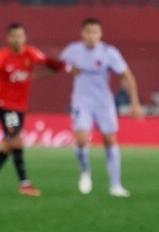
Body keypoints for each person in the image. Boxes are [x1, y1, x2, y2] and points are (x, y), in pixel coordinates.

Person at [0, 23, 69, 196]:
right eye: (14, 36)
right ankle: (24, 184)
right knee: (16, 141)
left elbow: (46, 61)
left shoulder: (30, 53)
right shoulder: (0, 57)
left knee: (9, 144)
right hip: (6, 106)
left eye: (20, 36)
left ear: (24, 38)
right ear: (8, 38)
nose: (17, 40)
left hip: (20, 107)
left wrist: (63, 66)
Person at [60, 17, 143, 197]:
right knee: (81, 139)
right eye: (88, 32)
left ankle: (115, 185)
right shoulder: (73, 50)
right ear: (82, 33)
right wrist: (68, 68)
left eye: (95, 32)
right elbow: (58, 64)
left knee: (110, 140)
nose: (92, 36)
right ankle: (85, 172)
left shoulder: (108, 52)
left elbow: (127, 75)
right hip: (81, 101)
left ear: (100, 34)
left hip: (103, 103)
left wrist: (134, 103)